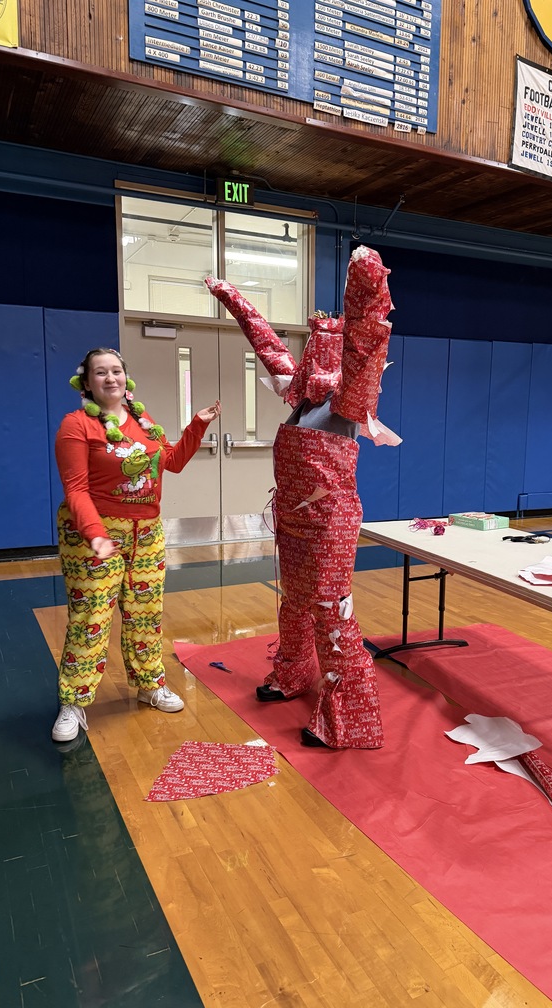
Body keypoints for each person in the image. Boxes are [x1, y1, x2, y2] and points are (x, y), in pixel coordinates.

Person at [205, 245, 400, 749]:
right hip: (292, 520)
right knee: (293, 603)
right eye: (313, 344)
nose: (313, 354)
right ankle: (293, 672)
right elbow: (265, 340)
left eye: (324, 346)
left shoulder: (348, 402)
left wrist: (366, 283)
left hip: (330, 523)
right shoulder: (301, 399)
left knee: (331, 610)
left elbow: (366, 345)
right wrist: (230, 295)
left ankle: (348, 719)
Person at [51, 347, 221, 742]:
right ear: (86, 382)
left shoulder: (144, 422)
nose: (110, 378)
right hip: (93, 532)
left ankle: (149, 685)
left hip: (146, 532)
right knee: (91, 618)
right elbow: (76, 490)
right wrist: (95, 535)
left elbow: (172, 462)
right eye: (100, 372)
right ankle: (72, 702)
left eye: (116, 371)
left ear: (126, 378)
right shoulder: (77, 425)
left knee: (146, 613)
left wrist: (197, 425)